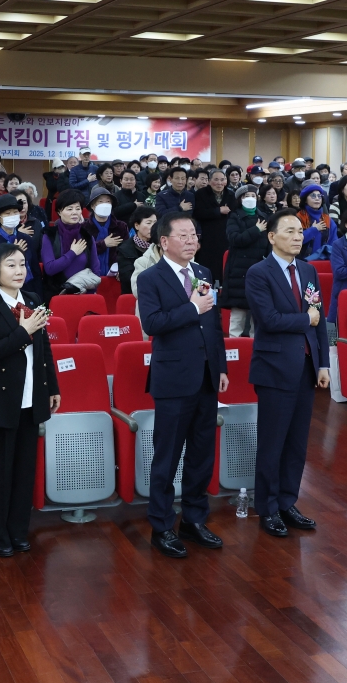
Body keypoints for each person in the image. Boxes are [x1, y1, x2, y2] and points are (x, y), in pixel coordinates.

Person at [137, 212, 228, 558]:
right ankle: (161, 526)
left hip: (206, 377)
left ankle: (193, 520)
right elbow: (152, 323)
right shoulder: (150, 278)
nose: (192, 241)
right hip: (174, 380)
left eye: (194, 235)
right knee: (168, 457)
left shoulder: (203, 273)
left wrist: (220, 366)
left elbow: (214, 324)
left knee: (202, 455)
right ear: (164, 242)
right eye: (184, 235)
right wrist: (191, 307)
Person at [0, 244, 60, 557]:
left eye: (22, 264)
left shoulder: (34, 300)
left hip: (31, 398)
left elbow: (44, 348)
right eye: (11, 265)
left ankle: (18, 531)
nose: (19, 270)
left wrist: (52, 386)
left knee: (25, 471)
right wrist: (24, 331)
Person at [246, 215, 328, 537]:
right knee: (273, 442)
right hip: (274, 369)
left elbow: (319, 319)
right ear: (271, 237)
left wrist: (323, 364)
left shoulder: (308, 270)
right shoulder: (258, 272)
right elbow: (269, 320)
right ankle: (267, 508)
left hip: (306, 367)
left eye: (300, 231)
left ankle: (287, 501)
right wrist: (305, 319)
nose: (297, 237)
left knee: (296, 443)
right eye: (290, 231)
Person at [222, 188, 269, 337]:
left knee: (257, 316)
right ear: (240, 199)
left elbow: (269, 242)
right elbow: (235, 239)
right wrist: (256, 229)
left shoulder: (264, 216)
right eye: (246, 196)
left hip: (259, 269)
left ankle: (256, 347)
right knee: (238, 317)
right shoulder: (234, 216)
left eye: (253, 195)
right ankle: (233, 347)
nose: (250, 198)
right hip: (239, 271)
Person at [192, 169, 232, 273]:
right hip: (207, 236)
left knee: (224, 267)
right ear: (209, 181)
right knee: (207, 267)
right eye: (216, 180)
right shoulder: (200, 194)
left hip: (225, 235)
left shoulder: (231, 194)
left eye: (222, 180)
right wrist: (218, 211)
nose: (219, 183)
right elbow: (198, 213)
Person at [118, 206, 157, 294]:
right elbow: (128, 277)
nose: (153, 226)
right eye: (148, 223)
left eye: (155, 222)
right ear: (137, 225)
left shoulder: (161, 246)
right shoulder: (125, 249)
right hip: (134, 294)